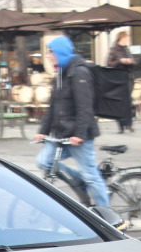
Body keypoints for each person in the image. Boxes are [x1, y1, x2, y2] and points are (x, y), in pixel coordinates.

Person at [34, 35, 109, 208]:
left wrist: (80, 134)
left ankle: (109, 218)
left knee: (91, 176)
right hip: (61, 133)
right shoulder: (60, 73)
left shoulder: (79, 72)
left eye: (51, 52)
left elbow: (85, 107)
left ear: (60, 52)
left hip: (79, 135)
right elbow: (53, 106)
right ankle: (77, 178)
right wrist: (43, 131)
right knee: (43, 162)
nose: (48, 56)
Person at [106, 31, 137, 133]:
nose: (128, 40)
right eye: (126, 38)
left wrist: (130, 61)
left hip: (128, 77)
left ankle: (129, 124)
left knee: (128, 100)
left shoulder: (127, 49)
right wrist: (120, 61)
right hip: (118, 78)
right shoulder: (114, 49)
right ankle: (121, 125)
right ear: (121, 38)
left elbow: (134, 61)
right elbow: (109, 63)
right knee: (120, 102)